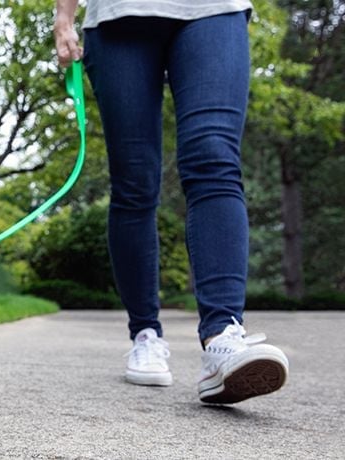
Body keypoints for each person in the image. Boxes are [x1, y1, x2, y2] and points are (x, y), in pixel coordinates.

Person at [53, 0, 289, 404]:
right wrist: (64, 17)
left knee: (214, 156)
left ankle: (223, 336)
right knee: (134, 183)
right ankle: (145, 333)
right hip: (118, 17)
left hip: (214, 11)